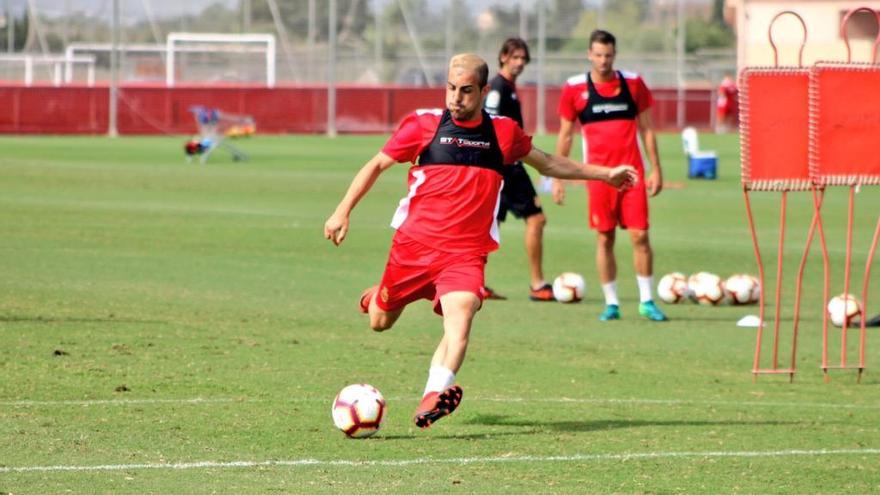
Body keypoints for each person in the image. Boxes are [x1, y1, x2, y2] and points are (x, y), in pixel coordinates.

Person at [324, 53, 637, 429]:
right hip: (413, 248)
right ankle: (376, 295)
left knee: (462, 319)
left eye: (466, 90)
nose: (456, 98)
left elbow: (550, 163)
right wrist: (342, 211)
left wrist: (605, 175)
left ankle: (432, 395)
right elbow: (376, 164)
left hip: (465, 255)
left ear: (484, 91)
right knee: (380, 321)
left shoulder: (503, 133)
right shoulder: (423, 125)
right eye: (451, 89)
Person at [553, 29, 667, 323]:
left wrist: (656, 168)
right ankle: (612, 303)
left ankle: (647, 300)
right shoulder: (574, 88)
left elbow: (648, 129)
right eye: (598, 55)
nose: (603, 60)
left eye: (608, 55)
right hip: (599, 177)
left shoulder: (632, 83)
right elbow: (565, 136)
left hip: (632, 175)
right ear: (589, 54)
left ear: (614, 55)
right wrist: (558, 178)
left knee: (640, 235)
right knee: (605, 238)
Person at [481, 37, 554, 302]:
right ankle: (538, 285)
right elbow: (492, 125)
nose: (520, 63)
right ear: (503, 57)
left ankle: (477, 283)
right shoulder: (499, 88)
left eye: (523, 58)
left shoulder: (506, 87)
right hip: (507, 167)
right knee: (536, 219)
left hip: (502, 167)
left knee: (490, 225)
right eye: (515, 57)